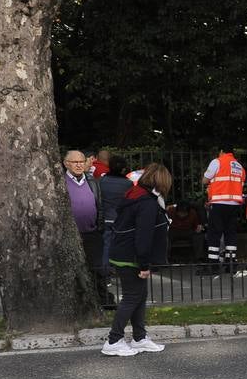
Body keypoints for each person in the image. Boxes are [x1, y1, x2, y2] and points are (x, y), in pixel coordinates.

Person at [101, 163, 172, 356]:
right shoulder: (147, 202)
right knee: (132, 297)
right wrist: (144, 264)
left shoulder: (134, 195)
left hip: (123, 252)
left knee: (139, 296)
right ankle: (113, 340)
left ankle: (139, 337)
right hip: (131, 257)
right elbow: (144, 235)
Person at [62, 150, 107, 305]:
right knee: (73, 270)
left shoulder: (91, 181)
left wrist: (99, 225)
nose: (79, 165)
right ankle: (76, 302)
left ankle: (103, 300)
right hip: (71, 234)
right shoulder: (60, 182)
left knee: (97, 268)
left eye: (81, 161)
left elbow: (99, 204)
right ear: (66, 163)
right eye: (75, 162)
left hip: (92, 232)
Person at [200, 148, 246, 275]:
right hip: (234, 204)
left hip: (219, 203)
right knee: (230, 233)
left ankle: (213, 265)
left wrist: (207, 180)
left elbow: (205, 180)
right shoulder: (239, 166)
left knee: (214, 233)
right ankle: (231, 263)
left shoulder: (217, 162)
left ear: (221, 151)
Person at [98, 155, 133, 292]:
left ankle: (105, 273)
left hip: (106, 217)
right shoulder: (128, 184)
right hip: (121, 219)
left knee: (106, 245)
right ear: (124, 169)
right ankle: (123, 271)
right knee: (123, 246)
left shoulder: (102, 181)